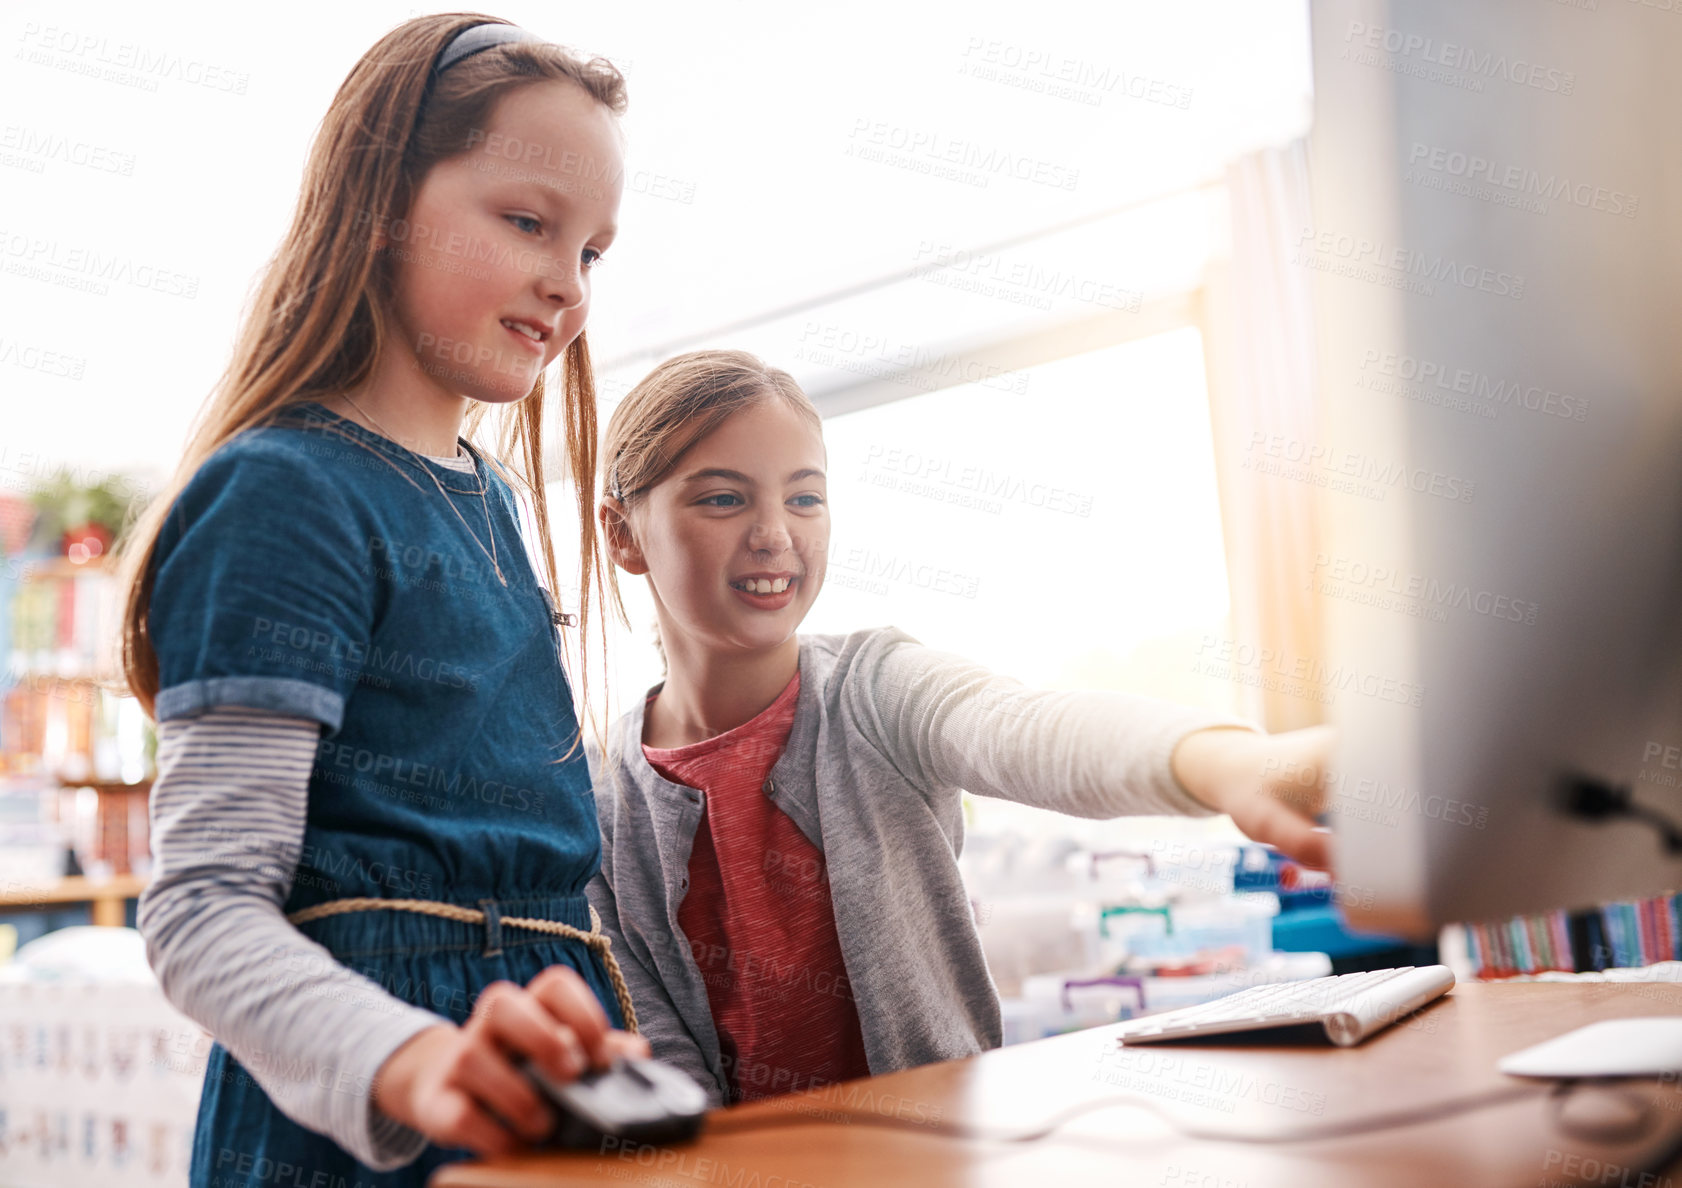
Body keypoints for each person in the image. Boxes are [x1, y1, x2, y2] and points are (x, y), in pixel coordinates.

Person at [122, 16, 645, 1185]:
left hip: (543, 1115)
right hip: (351, 1138)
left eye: (593, 252)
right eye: (526, 222)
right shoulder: (284, 493)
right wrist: (412, 1063)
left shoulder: (494, 506)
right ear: (379, 202)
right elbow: (202, 913)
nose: (566, 285)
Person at [585, 349, 1334, 1107]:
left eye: (805, 499)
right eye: (722, 500)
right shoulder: (599, 801)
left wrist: (1226, 764)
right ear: (623, 535)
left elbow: (1024, 729)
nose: (775, 533)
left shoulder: (874, 690)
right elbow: (659, 1060)